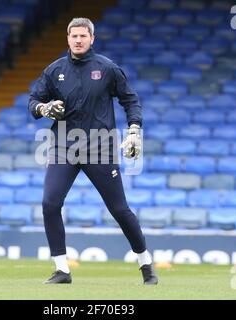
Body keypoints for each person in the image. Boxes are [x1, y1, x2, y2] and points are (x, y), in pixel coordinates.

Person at [28, 17, 158, 285]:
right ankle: (62, 270)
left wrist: (134, 129)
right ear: (67, 38)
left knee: (119, 209)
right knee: (50, 204)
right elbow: (33, 100)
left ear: (91, 39)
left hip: (100, 146)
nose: (78, 40)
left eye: (82, 36)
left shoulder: (107, 68)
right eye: (73, 36)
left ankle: (145, 263)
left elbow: (130, 100)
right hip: (64, 146)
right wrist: (43, 108)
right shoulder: (54, 70)